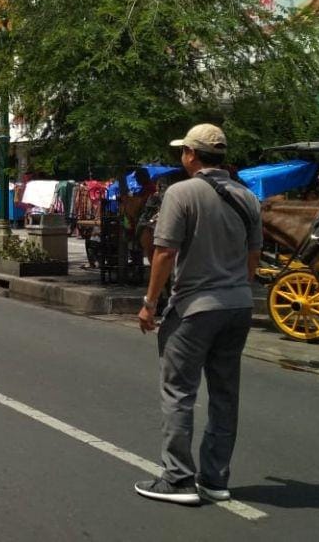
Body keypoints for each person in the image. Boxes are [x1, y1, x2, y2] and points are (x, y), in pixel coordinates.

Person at [134, 124, 261, 507]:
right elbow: (253, 257)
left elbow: (164, 252)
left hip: (194, 308)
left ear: (191, 154)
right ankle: (215, 479)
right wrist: (236, 286)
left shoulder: (182, 192)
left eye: (183, 151)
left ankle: (177, 480)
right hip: (238, 306)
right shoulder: (247, 197)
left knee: (179, 393)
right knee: (225, 394)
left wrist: (149, 303)